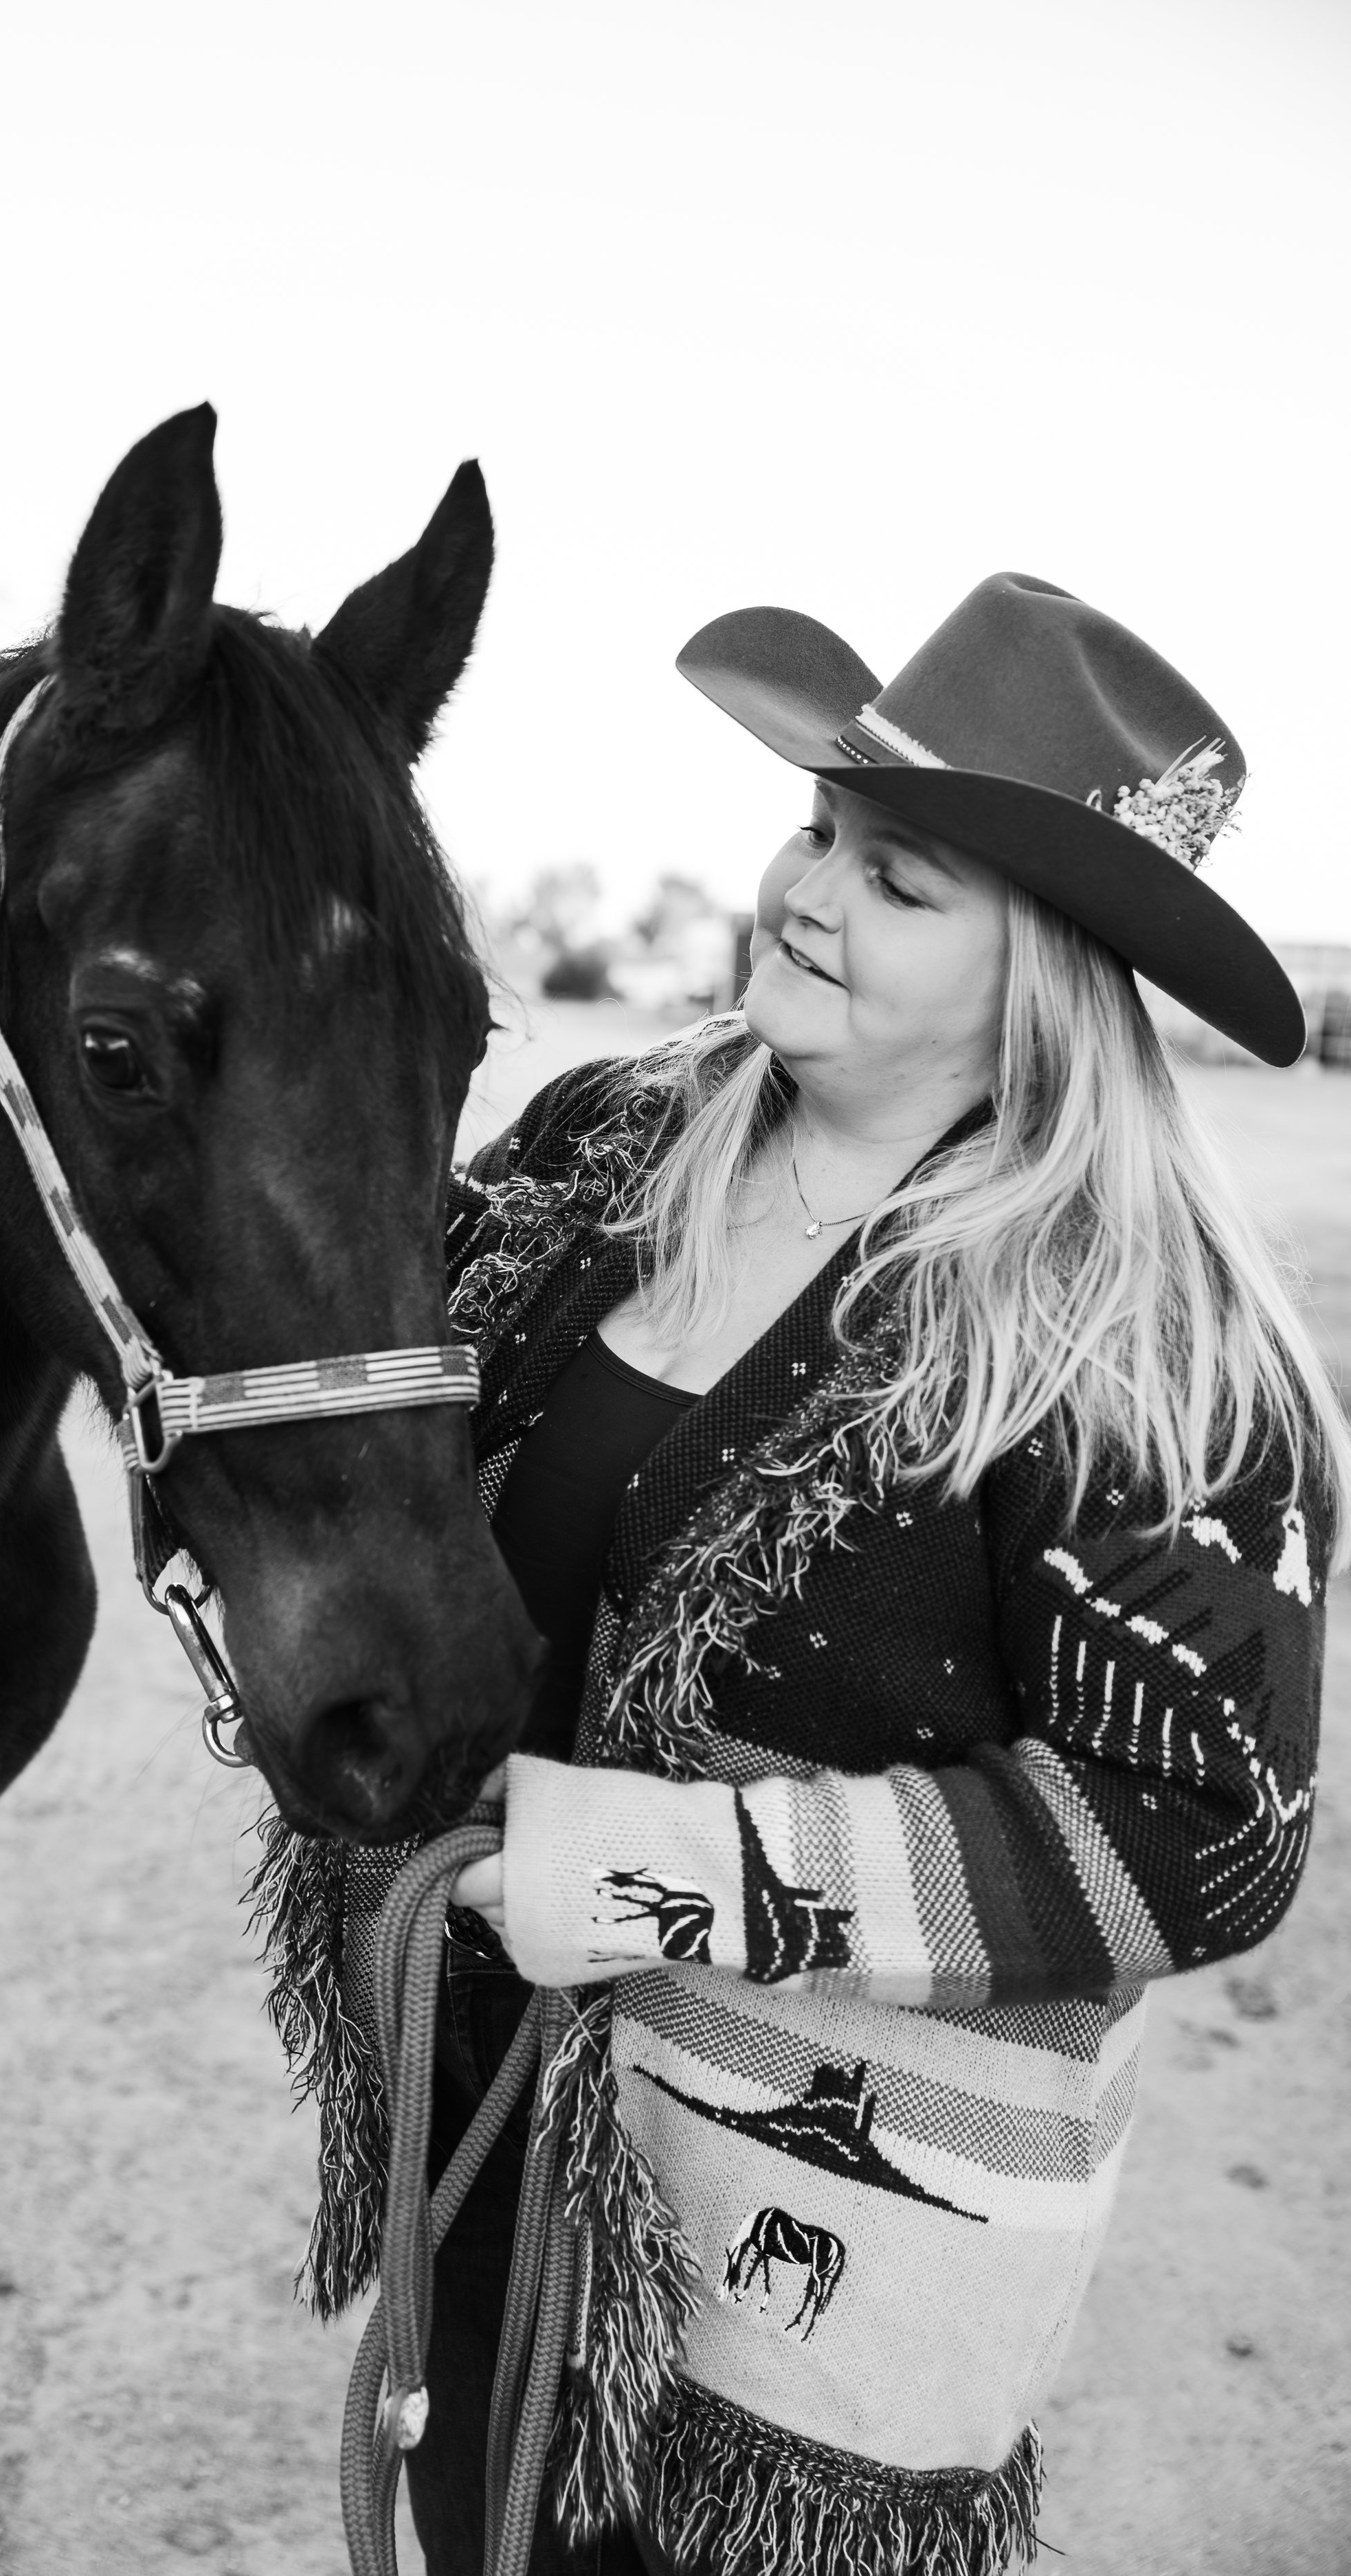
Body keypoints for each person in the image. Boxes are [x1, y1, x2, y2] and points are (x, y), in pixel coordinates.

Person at [257, 572, 1351, 2576]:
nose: (805, 893)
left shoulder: (1132, 1341)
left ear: (1050, 974)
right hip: (489, 2110)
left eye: (902, 883)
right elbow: (340, 1426)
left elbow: (1198, 1836)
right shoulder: (602, 1142)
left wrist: (662, 1866)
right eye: (816, 834)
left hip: (812, 2226)